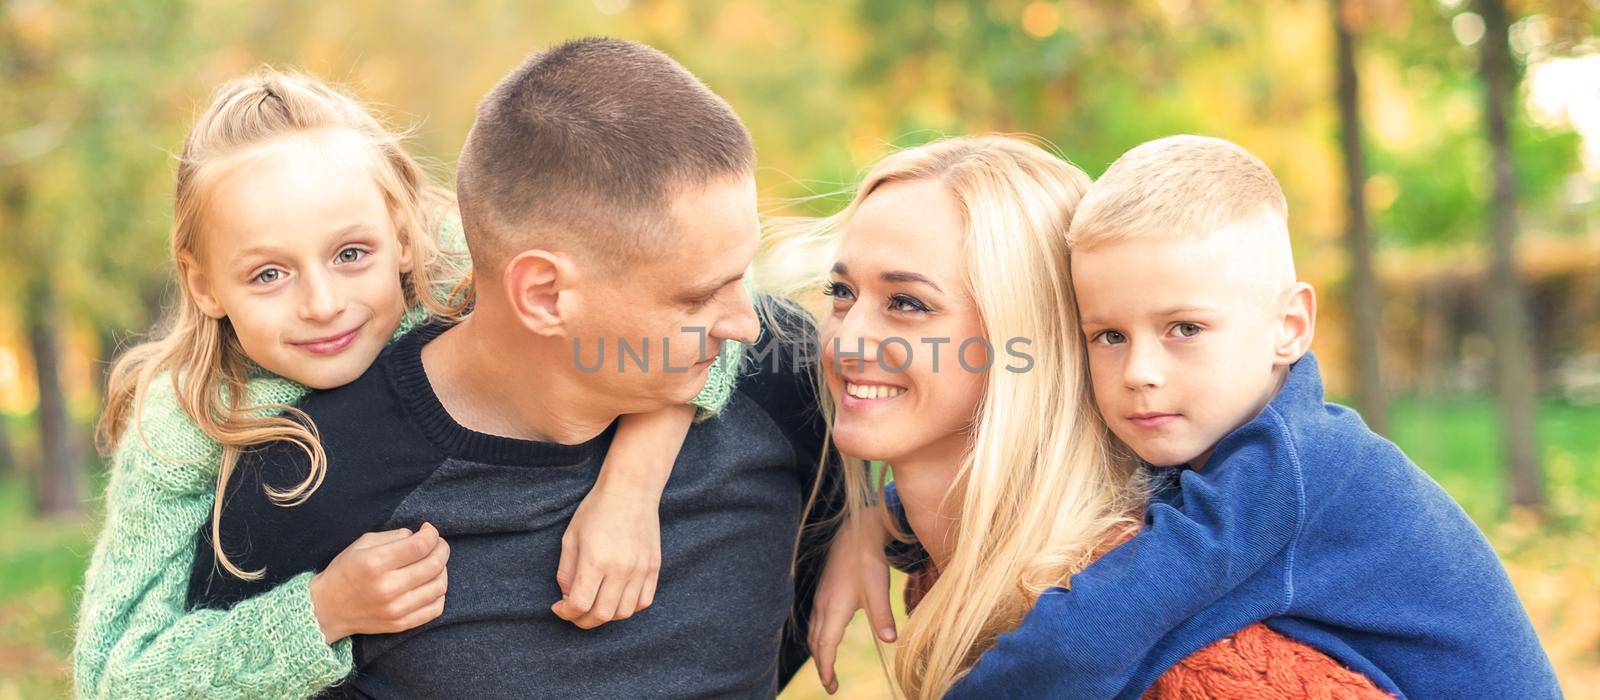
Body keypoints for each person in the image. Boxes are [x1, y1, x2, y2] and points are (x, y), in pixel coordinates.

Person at [185, 39, 835, 698]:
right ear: (543, 294)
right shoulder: (308, 478)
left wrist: (864, 527)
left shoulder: (780, 377)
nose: (746, 325)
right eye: (697, 296)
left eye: (740, 277)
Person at [947, 135, 1560, 698]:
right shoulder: (1218, 436)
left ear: (1288, 328)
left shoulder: (1294, 471)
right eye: (1108, 336)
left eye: (1184, 328)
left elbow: (1084, 637)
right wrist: (879, 519)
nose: (1139, 371)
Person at [795, 134, 1394, 699]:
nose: (846, 341)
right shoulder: (949, 561)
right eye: (842, 293)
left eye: (907, 303)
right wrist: (875, 524)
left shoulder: (1189, 644)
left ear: (1031, 342)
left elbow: (1080, 644)